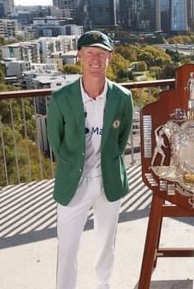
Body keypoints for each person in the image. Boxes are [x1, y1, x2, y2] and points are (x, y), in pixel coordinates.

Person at [46, 30, 133, 289]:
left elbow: (121, 139)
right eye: (90, 53)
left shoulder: (122, 97)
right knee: (68, 246)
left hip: (108, 180)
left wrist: (104, 163)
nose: (96, 59)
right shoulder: (61, 98)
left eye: (101, 54)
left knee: (107, 242)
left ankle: (103, 285)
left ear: (109, 58)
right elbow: (56, 142)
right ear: (79, 57)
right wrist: (76, 166)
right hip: (75, 181)